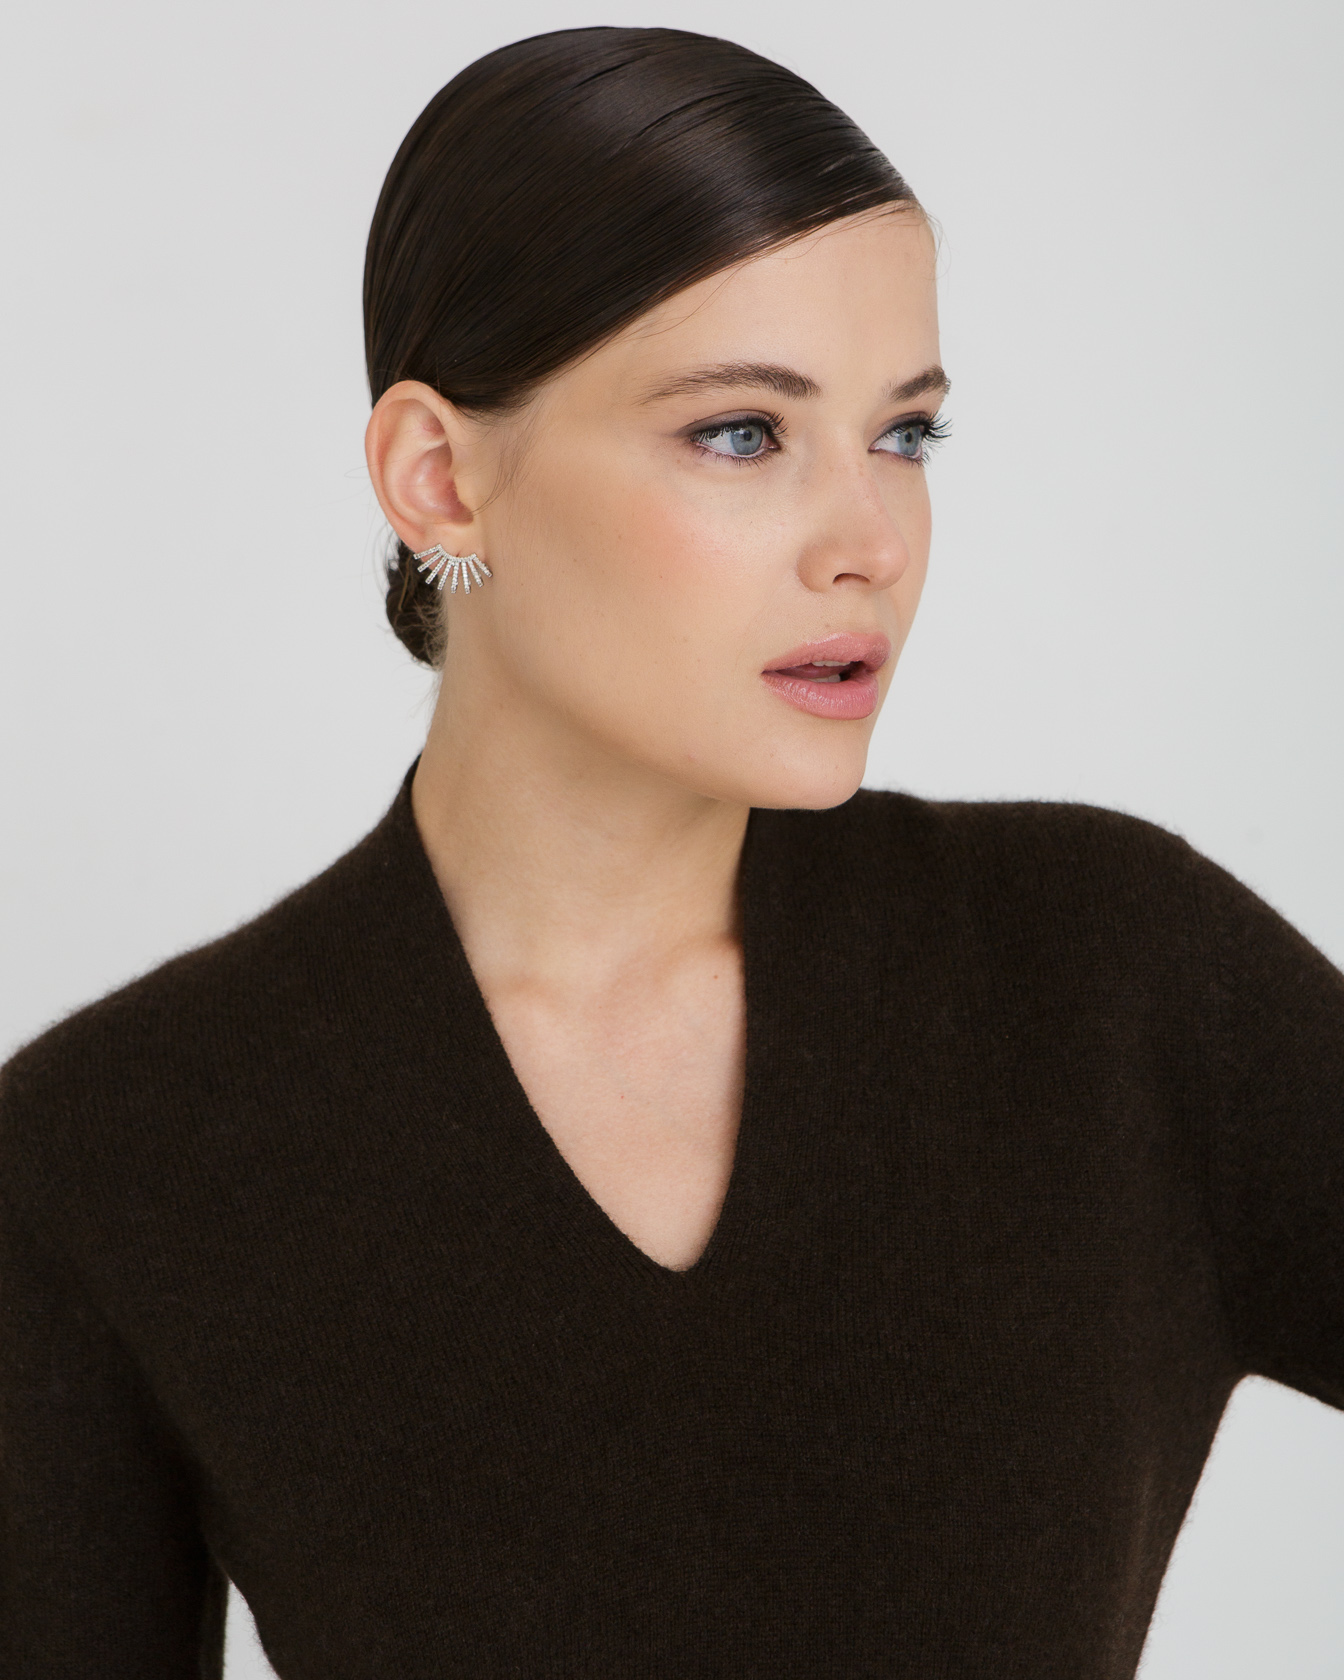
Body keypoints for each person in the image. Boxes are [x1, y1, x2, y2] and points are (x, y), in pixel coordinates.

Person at [1, 24, 1340, 1679]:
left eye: (906, 434)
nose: (872, 542)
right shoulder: (120, 1151)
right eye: (744, 433)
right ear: (440, 479)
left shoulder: (1113, 980)